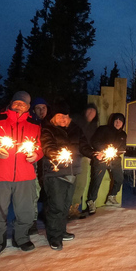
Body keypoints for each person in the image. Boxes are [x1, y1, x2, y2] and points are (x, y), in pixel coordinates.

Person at [0, 91, 43, 262]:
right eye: (17, 102)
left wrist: (35, 155)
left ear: (28, 107)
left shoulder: (34, 124)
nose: (20, 105)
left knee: (26, 212)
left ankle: (21, 238)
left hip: (25, 176)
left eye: (24, 104)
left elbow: (39, 147)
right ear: (11, 103)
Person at [40, 102, 96, 250]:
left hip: (72, 171)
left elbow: (84, 146)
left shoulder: (75, 129)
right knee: (56, 206)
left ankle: (61, 230)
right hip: (55, 173)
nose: (63, 119)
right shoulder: (48, 129)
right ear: (53, 117)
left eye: (65, 116)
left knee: (65, 205)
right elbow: (47, 147)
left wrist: (94, 154)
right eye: (60, 116)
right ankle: (54, 237)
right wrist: (56, 155)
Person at [87, 113, 126, 214]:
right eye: (116, 120)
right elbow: (94, 141)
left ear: (123, 123)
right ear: (112, 121)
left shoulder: (123, 134)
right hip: (101, 158)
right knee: (97, 179)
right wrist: (105, 149)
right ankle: (91, 201)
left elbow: (123, 148)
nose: (118, 123)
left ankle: (111, 196)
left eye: (120, 121)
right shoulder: (103, 129)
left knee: (119, 178)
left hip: (115, 160)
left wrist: (119, 151)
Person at [70, 103, 99, 217]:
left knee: (81, 183)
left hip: (85, 156)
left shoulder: (94, 127)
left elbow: (94, 142)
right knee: (69, 182)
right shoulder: (75, 121)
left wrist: (93, 154)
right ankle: (65, 208)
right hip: (71, 155)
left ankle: (74, 208)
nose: (91, 113)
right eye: (89, 110)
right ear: (85, 111)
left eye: (93, 111)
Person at [29, 97, 49, 234]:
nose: (41, 111)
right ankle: (32, 221)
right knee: (33, 192)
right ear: (33, 109)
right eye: (38, 108)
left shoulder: (50, 123)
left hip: (48, 163)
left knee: (49, 191)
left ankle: (47, 215)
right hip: (34, 162)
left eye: (44, 108)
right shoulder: (29, 123)